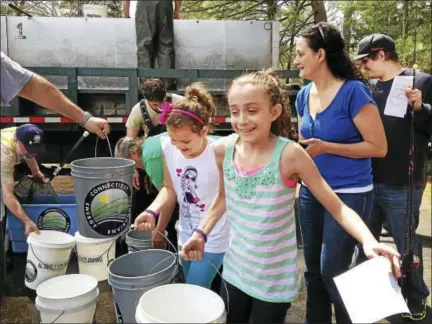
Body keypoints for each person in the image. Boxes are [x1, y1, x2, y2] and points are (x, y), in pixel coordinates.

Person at [163, 69, 398, 324]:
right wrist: (201, 234)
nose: (242, 120)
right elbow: (222, 198)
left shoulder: (290, 155)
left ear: (274, 112)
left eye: (252, 110)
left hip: (272, 283)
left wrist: (367, 240)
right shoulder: (223, 150)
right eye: (234, 111)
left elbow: (337, 206)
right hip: (234, 272)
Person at [294, 22, 388, 324]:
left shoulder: (354, 92)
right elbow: (304, 142)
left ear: (320, 54)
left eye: (300, 53)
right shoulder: (302, 95)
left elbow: (378, 147)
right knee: (312, 271)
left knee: (332, 270)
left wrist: (328, 147)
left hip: (350, 193)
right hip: (311, 192)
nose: (296, 60)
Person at [0, 51, 110, 305]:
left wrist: (37, 172)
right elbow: (6, 195)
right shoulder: (5, 151)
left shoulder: (20, 139)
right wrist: (27, 221)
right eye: (28, 150)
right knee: (8, 208)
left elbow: (31, 85)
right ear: (18, 142)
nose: (30, 154)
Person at [355, 33, 432, 321]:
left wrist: (420, 108)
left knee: (407, 245)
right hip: (367, 180)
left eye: (365, 61)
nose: (363, 68)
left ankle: (415, 299)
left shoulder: (422, 81)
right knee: (366, 242)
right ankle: (369, 295)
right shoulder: (368, 87)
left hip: (404, 183)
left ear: (381, 54)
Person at [134, 83, 229, 290]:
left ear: (204, 131)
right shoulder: (169, 148)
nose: (180, 147)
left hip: (213, 235)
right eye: (174, 140)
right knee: (192, 289)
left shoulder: (218, 153)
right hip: (184, 232)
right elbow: (169, 189)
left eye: (185, 142)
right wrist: (152, 211)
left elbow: (225, 197)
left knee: (193, 290)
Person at [125, 78, 184, 246]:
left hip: (177, 155)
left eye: (162, 101)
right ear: (146, 100)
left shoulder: (179, 103)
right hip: (148, 156)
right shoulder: (139, 110)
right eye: (154, 103)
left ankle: (170, 233)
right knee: (140, 195)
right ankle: (138, 229)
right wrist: (133, 169)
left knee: (173, 196)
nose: (159, 106)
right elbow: (129, 142)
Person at [114, 133, 177, 250]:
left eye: (133, 166)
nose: (136, 170)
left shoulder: (150, 159)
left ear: (133, 153)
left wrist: (159, 232)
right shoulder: (149, 143)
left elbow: (168, 199)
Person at [122, 0, 182, 89]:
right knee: (165, 46)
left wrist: (126, 15)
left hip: (145, 5)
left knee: (145, 47)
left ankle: (147, 90)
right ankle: (168, 90)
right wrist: (177, 11)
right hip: (165, 4)